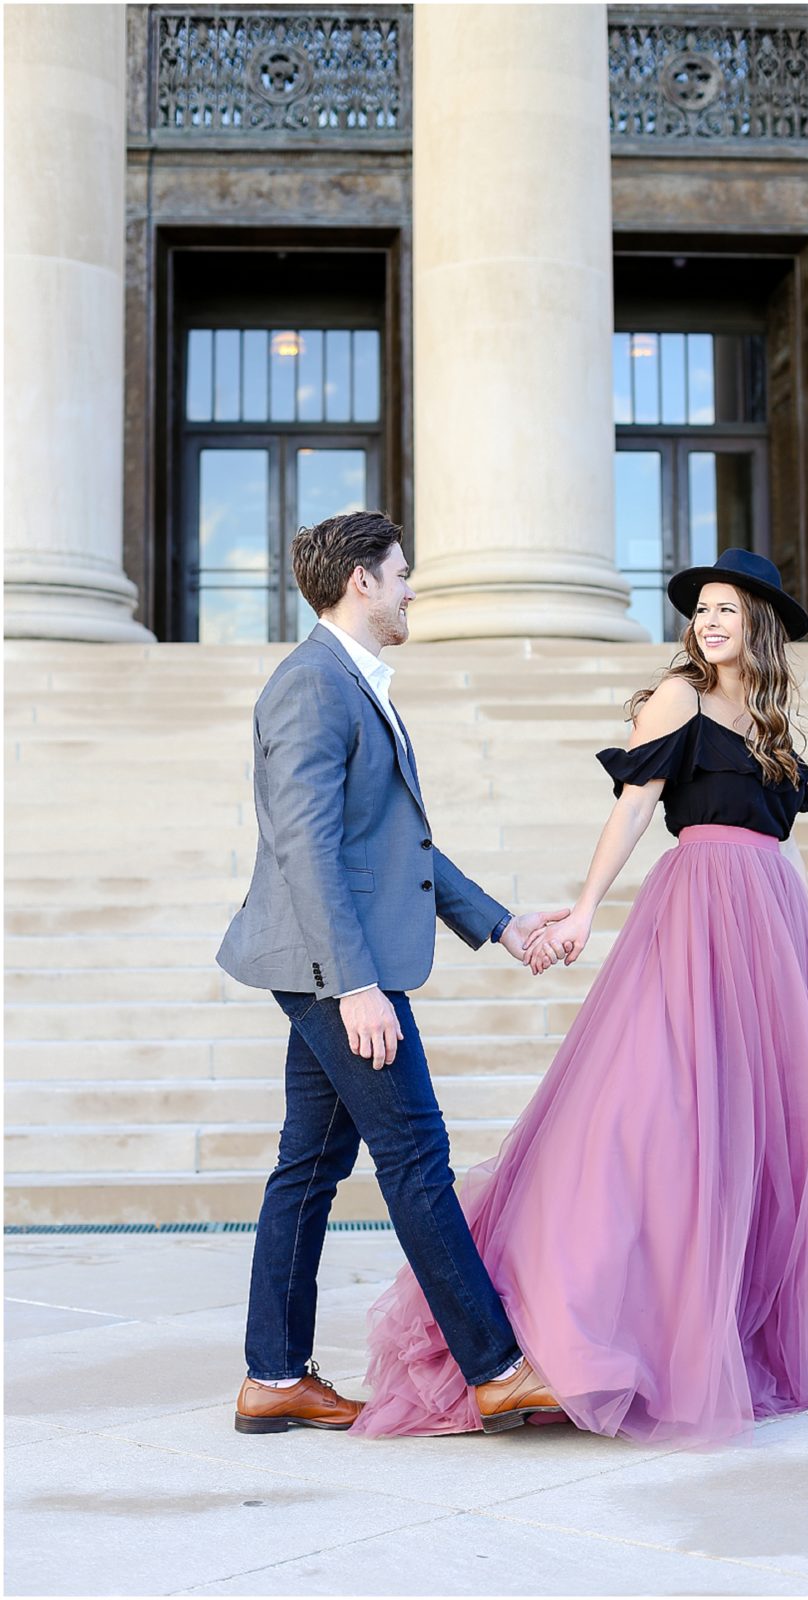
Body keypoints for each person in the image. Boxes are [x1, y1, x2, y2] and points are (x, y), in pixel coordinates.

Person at [349, 548, 808, 1446]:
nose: (708, 621)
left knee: (765, 1124)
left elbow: (774, 837)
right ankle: (587, 1330)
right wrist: (585, 910)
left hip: (770, 920)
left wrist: (796, 949)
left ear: (756, 622)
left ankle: (734, 1327)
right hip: (698, 912)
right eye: (701, 609)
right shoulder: (673, 696)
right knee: (656, 1112)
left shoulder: (767, 716)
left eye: (725, 609)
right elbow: (634, 808)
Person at [216, 510, 570, 1436]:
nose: (414, 587)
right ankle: (496, 1370)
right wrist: (355, 985)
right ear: (362, 583)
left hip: (337, 964)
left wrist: (499, 925)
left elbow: (398, 843)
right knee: (415, 1158)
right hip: (336, 970)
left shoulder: (353, 682)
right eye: (403, 573)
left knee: (310, 1164)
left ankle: (273, 1376)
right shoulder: (313, 687)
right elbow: (306, 847)